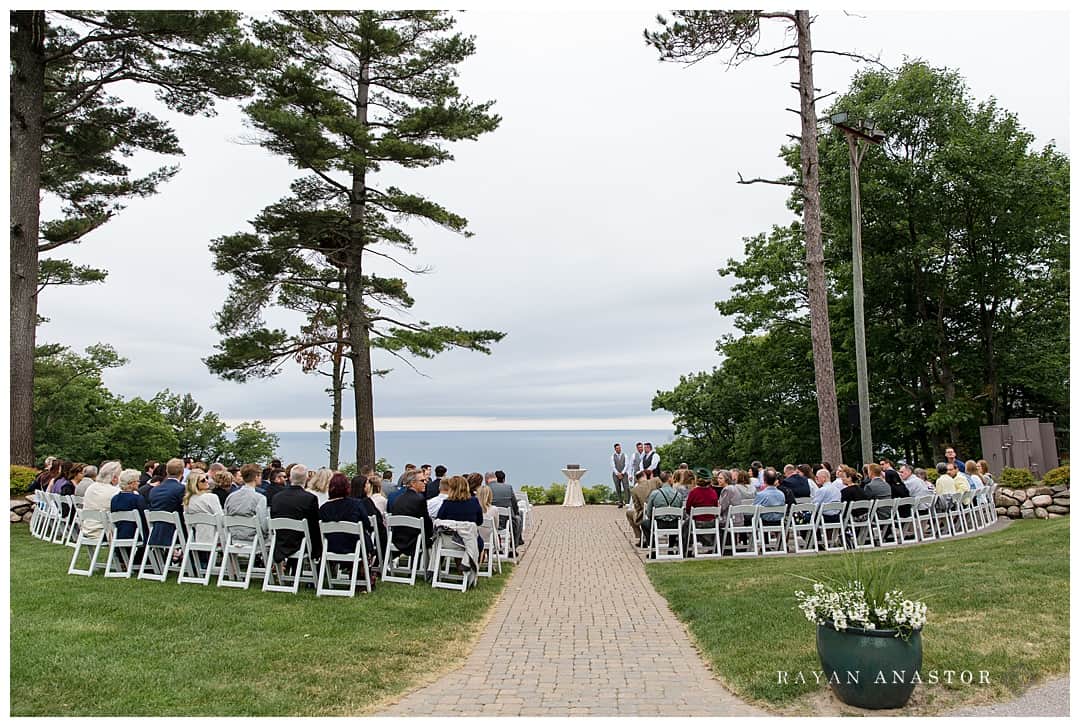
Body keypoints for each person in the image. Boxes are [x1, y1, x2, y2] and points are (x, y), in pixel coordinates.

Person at [269, 464, 323, 565]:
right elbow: (314, 525)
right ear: (306, 479)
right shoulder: (310, 498)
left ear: (290, 478)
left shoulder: (277, 497)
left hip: (280, 542)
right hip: (301, 543)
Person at [320, 473, 375, 560]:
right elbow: (367, 524)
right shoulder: (356, 504)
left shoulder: (324, 508)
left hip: (330, 547)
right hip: (354, 546)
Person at [389, 470, 434, 558]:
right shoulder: (419, 499)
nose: (425, 483)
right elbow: (427, 523)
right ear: (413, 483)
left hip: (396, 539)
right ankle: (431, 568)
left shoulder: (398, 499)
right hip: (414, 541)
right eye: (422, 481)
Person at [436, 473, 485, 551]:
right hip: (470, 541)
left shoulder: (447, 503)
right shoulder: (474, 501)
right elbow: (479, 521)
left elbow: (439, 520)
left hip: (450, 542)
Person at [224, 463, 270, 544]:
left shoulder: (230, 497)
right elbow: (263, 525)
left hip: (232, 538)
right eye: (260, 476)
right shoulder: (260, 498)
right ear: (256, 477)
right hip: (253, 539)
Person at [148, 458, 186, 547]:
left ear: (167, 471)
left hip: (156, 533)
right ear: (182, 472)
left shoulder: (154, 490)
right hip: (175, 533)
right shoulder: (181, 489)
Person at [643, 472, 685, 554]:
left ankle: (654, 549)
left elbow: (649, 513)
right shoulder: (678, 494)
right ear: (669, 479)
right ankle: (671, 548)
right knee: (677, 521)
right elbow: (680, 511)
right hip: (675, 525)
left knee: (644, 524)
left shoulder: (654, 493)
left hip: (658, 524)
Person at [81, 461, 123, 541]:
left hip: (87, 528)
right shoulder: (114, 492)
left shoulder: (91, 487)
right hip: (103, 532)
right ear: (114, 478)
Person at [682, 468, 720, 554]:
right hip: (711, 522)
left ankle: (685, 550)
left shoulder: (693, 492)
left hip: (697, 523)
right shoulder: (713, 492)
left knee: (684, 527)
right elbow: (716, 507)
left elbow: (688, 509)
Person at [184, 469, 223, 547]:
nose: (206, 481)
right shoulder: (211, 497)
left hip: (197, 538)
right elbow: (221, 519)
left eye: (207, 478)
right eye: (202, 480)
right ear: (195, 484)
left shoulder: (188, 501)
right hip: (216, 539)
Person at [351, 474, 387, 561]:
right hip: (365, 538)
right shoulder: (365, 502)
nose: (369, 485)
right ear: (362, 486)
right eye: (367, 483)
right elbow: (376, 519)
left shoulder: (349, 502)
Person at [111, 468, 149, 542]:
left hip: (118, 535)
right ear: (131, 483)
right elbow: (145, 518)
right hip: (136, 535)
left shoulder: (114, 499)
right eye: (137, 481)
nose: (139, 483)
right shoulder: (137, 499)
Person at [489, 470, 523, 547]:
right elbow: (514, 504)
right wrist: (516, 512)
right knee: (518, 517)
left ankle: (498, 544)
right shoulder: (508, 487)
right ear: (504, 479)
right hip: (507, 521)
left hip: (492, 521)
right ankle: (515, 544)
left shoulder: (488, 488)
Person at [625, 471, 658, 544]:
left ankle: (640, 537)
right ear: (645, 475)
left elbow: (637, 507)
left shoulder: (634, 490)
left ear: (637, 479)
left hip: (645, 514)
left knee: (628, 513)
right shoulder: (655, 481)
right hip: (658, 512)